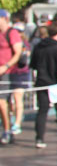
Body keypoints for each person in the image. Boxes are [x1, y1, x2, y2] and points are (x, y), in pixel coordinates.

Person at [29, 22, 57, 148]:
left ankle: (39, 138)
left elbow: (33, 64)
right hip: (56, 83)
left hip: (41, 81)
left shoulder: (38, 46)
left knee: (42, 111)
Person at [0, 8, 25, 144]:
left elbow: (17, 52)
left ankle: (7, 129)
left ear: (4, 18)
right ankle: (6, 126)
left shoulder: (12, 33)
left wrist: (6, 66)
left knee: (2, 101)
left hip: (9, 73)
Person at [8, 10, 32, 136]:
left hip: (20, 73)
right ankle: (13, 118)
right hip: (10, 72)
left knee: (18, 98)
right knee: (9, 100)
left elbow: (25, 59)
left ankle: (17, 123)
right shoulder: (8, 42)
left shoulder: (24, 45)